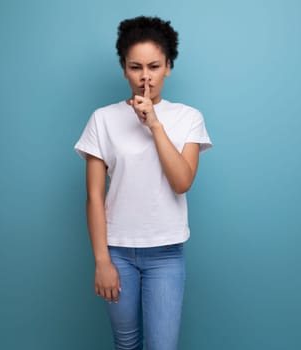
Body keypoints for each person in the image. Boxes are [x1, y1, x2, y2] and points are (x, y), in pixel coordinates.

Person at [74, 16, 212, 350]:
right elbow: (94, 197)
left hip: (166, 252)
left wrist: (155, 125)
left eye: (154, 66)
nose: (145, 77)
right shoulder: (102, 119)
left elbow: (182, 182)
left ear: (168, 67)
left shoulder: (188, 117)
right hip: (117, 252)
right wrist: (102, 261)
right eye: (136, 67)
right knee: (126, 344)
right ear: (124, 69)